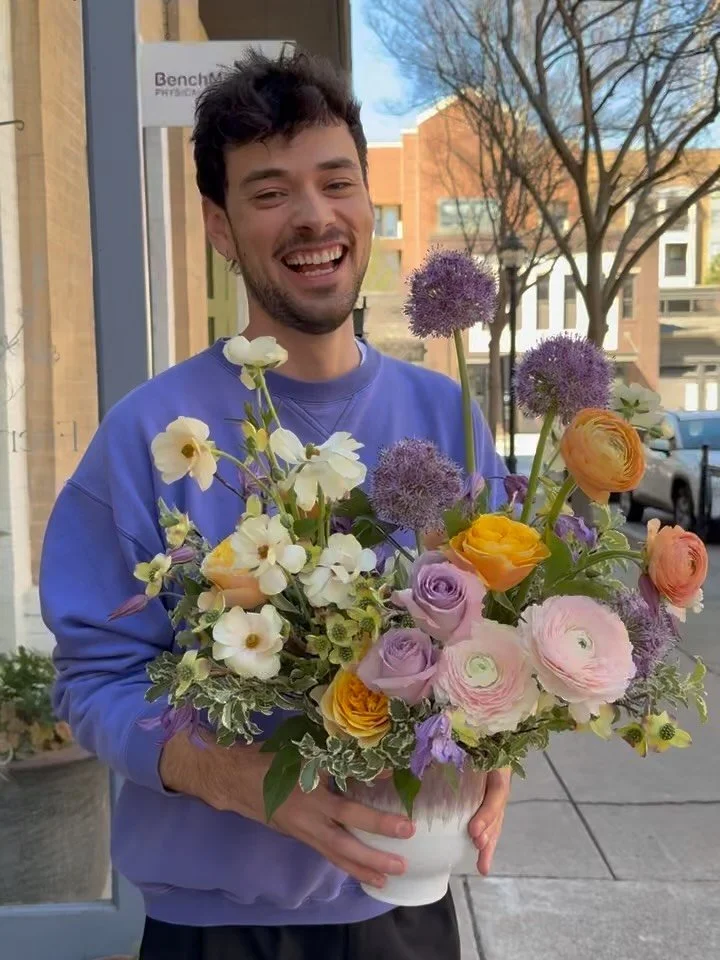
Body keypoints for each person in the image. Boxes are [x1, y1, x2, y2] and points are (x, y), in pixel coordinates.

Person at [40, 50, 511, 960]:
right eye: (268, 193)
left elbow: (499, 641)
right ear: (218, 226)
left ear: (367, 200)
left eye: (337, 181)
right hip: (215, 927)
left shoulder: (445, 420)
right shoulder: (151, 435)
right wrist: (247, 779)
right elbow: (92, 680)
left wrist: (493, 751)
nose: (313, 216)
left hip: (406, 913)